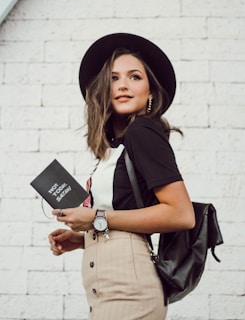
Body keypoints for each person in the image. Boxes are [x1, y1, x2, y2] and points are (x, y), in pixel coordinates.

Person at [48, 33, 195, 320]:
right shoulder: (116, 147)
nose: (123, 85)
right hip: (108, 286)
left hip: (129, 288)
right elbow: (130, 216)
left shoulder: (143, 131)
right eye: (114, 78)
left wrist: (95, 218)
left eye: (135, 77)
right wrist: (82, 238)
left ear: (151, 92)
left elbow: (181, 214)